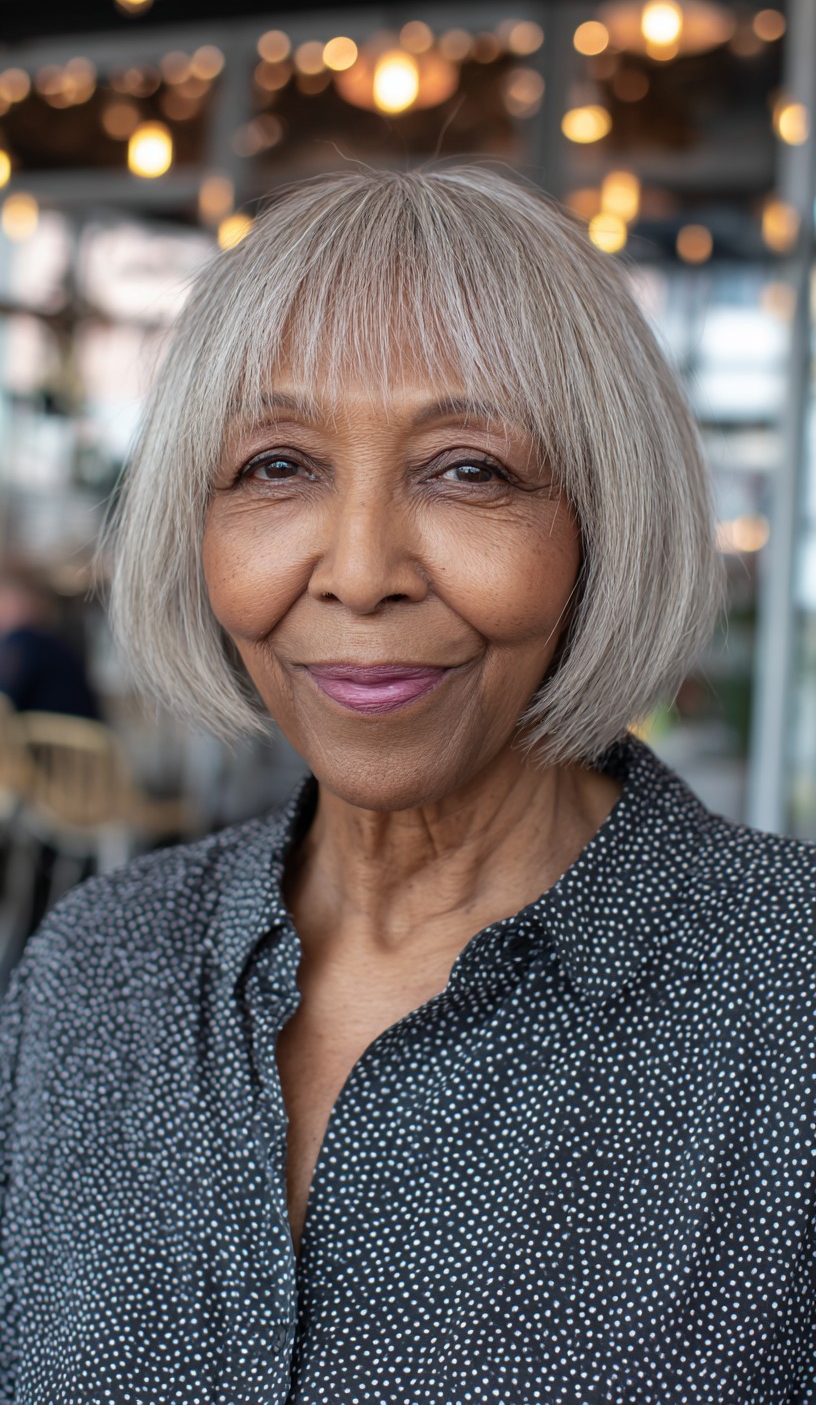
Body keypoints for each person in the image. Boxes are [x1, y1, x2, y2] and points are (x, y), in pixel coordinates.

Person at [0, 167, 813, 1405]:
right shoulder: (95, 971)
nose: (363, 570)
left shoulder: (784, 996)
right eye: (277, 466)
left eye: (469, 470)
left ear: (601, 523)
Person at [0, 570, 100, 721]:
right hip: (81, 736)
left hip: (54, 740)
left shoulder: (24, 639)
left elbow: (7, 695)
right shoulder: (52, 641)